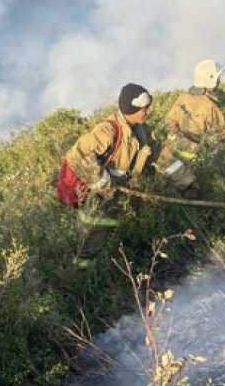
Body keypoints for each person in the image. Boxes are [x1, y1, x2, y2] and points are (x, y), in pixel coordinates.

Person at [65, 83, 195, 268]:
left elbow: (161, 156)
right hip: (101, 195)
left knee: (113, 228)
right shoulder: (108, 131)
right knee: (94, 230)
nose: (149, 112)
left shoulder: (142, 130)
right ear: (131, 109)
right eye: (144, 109)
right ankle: (79, 273)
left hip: (119, 192)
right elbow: (78, 155)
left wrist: (187, 181)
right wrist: (105, 185)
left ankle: (103, 266)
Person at [164, 59, 225, 170]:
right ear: (210, 80)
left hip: (173, 156)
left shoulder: (183, 97)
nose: (219, 81)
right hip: (197, 160)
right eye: (217, 78)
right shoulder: (210, 107)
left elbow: (170, 121)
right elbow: (222, 134)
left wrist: (174, 139)